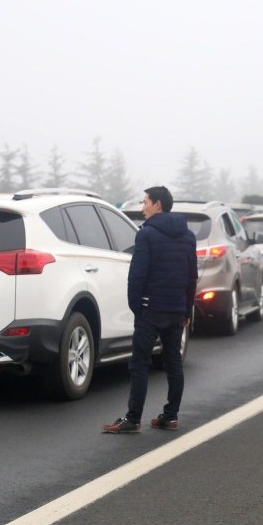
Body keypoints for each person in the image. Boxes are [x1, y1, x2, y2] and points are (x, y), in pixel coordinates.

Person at [102, 186, 197, 434]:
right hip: (176, 310)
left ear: (157, 205)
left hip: (150, 309)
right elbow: (191, 277)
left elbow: (137, 276)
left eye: (145, 202)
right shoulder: (188, 236)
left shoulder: (147, 234)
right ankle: (171, 416)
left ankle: (133, 419)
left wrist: (137, 308)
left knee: (139, 364)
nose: (143, 207)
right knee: (173, 362)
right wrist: (187, 310)